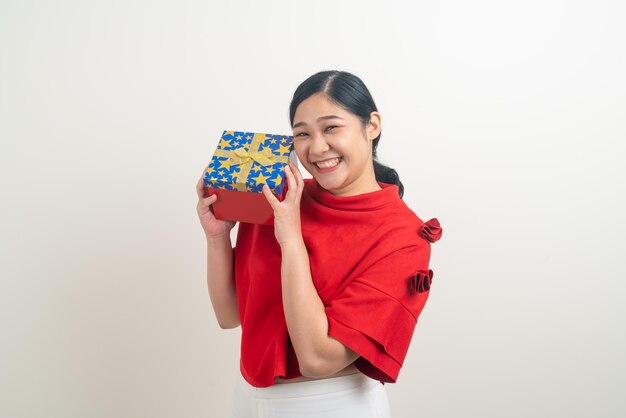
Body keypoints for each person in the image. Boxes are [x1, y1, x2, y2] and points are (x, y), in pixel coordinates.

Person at [196, 70, 442, 418]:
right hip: (247, 399)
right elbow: (229, 315)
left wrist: (290, 235)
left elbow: (316, 358)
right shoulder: (282, 193)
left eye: (331, 128)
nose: (316, 147)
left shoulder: (402, 236)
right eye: (302, 133)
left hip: (332, 404)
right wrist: (217, 236)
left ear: (371, 125)